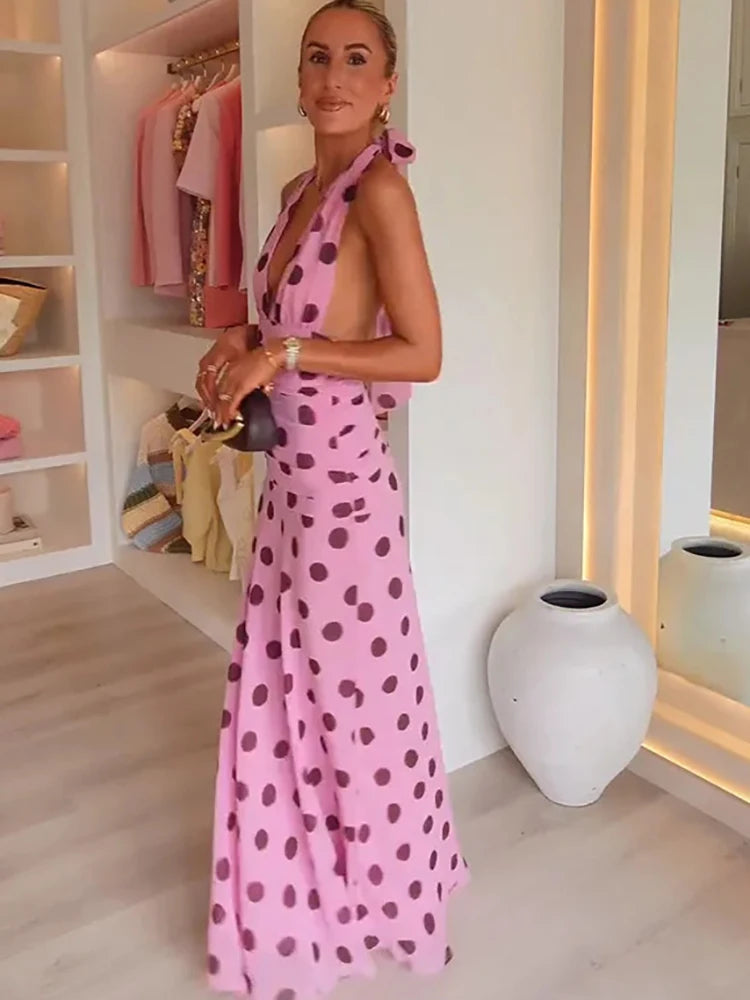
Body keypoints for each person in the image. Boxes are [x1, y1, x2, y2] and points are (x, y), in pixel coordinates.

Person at [197, 3, 467, 996]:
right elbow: (274, 324)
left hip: (345, 495)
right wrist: (238, 349)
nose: (334, 75)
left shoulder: (380, 189)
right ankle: (304, 892)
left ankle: (376, 894)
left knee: (355, 709)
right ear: (300, 76)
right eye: (318, 57)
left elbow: (423, 353)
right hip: (288, 489)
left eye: (358, 58)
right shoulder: (293, 187)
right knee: (294, 696)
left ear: (387, 82)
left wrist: (291, 350)